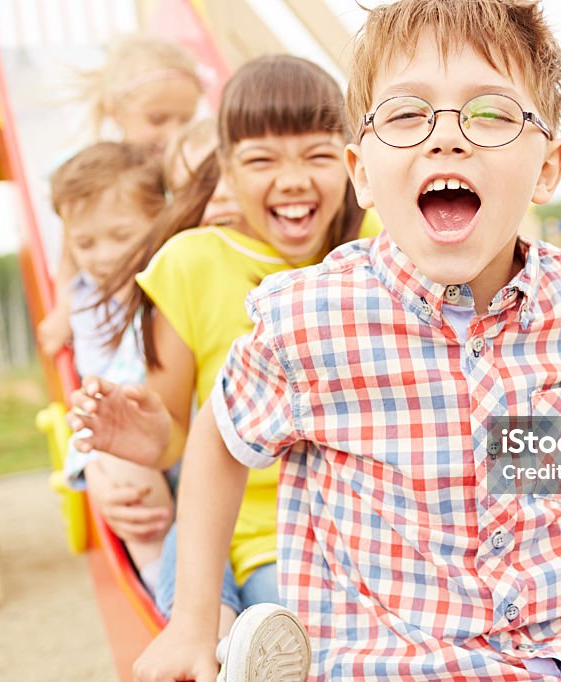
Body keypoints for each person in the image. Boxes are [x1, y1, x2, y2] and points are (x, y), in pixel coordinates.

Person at [127, 2, 561, 681]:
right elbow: (219, 436)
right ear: (362, 173)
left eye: (489, 113)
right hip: (400, 664)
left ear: (548, 166)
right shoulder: (313, 321)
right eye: (405, 113)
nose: (446, 137)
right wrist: (193, 621)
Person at [66, 55, 376, 673]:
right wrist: (146, 438)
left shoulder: (376, 250)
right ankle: (222, 643)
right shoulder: (192, 264)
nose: (291, 180)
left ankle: (231, 643)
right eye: (262, 160)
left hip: (343, 529)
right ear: (227, 171)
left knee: (306, 627)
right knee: (231, 617)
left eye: (316, 156)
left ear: (351, 164)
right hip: (241, 528)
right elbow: (180, 433)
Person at [52, 142, 175, 594]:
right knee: (124, 480)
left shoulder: (168, 279)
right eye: (85, 243)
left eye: (120, 236)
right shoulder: (81, 299)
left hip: (182, 427)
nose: (102, 255)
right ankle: (165, 593)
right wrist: (94, 469)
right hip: (122, 437)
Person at [37, 35, 203, 359]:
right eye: (157, 119)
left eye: (185, 120)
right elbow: (70, 252)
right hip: (113, 308)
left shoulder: (186, 171)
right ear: (116, 111)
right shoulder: (94, 178)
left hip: (168, 308)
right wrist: (63, 310)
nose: (173, 134)